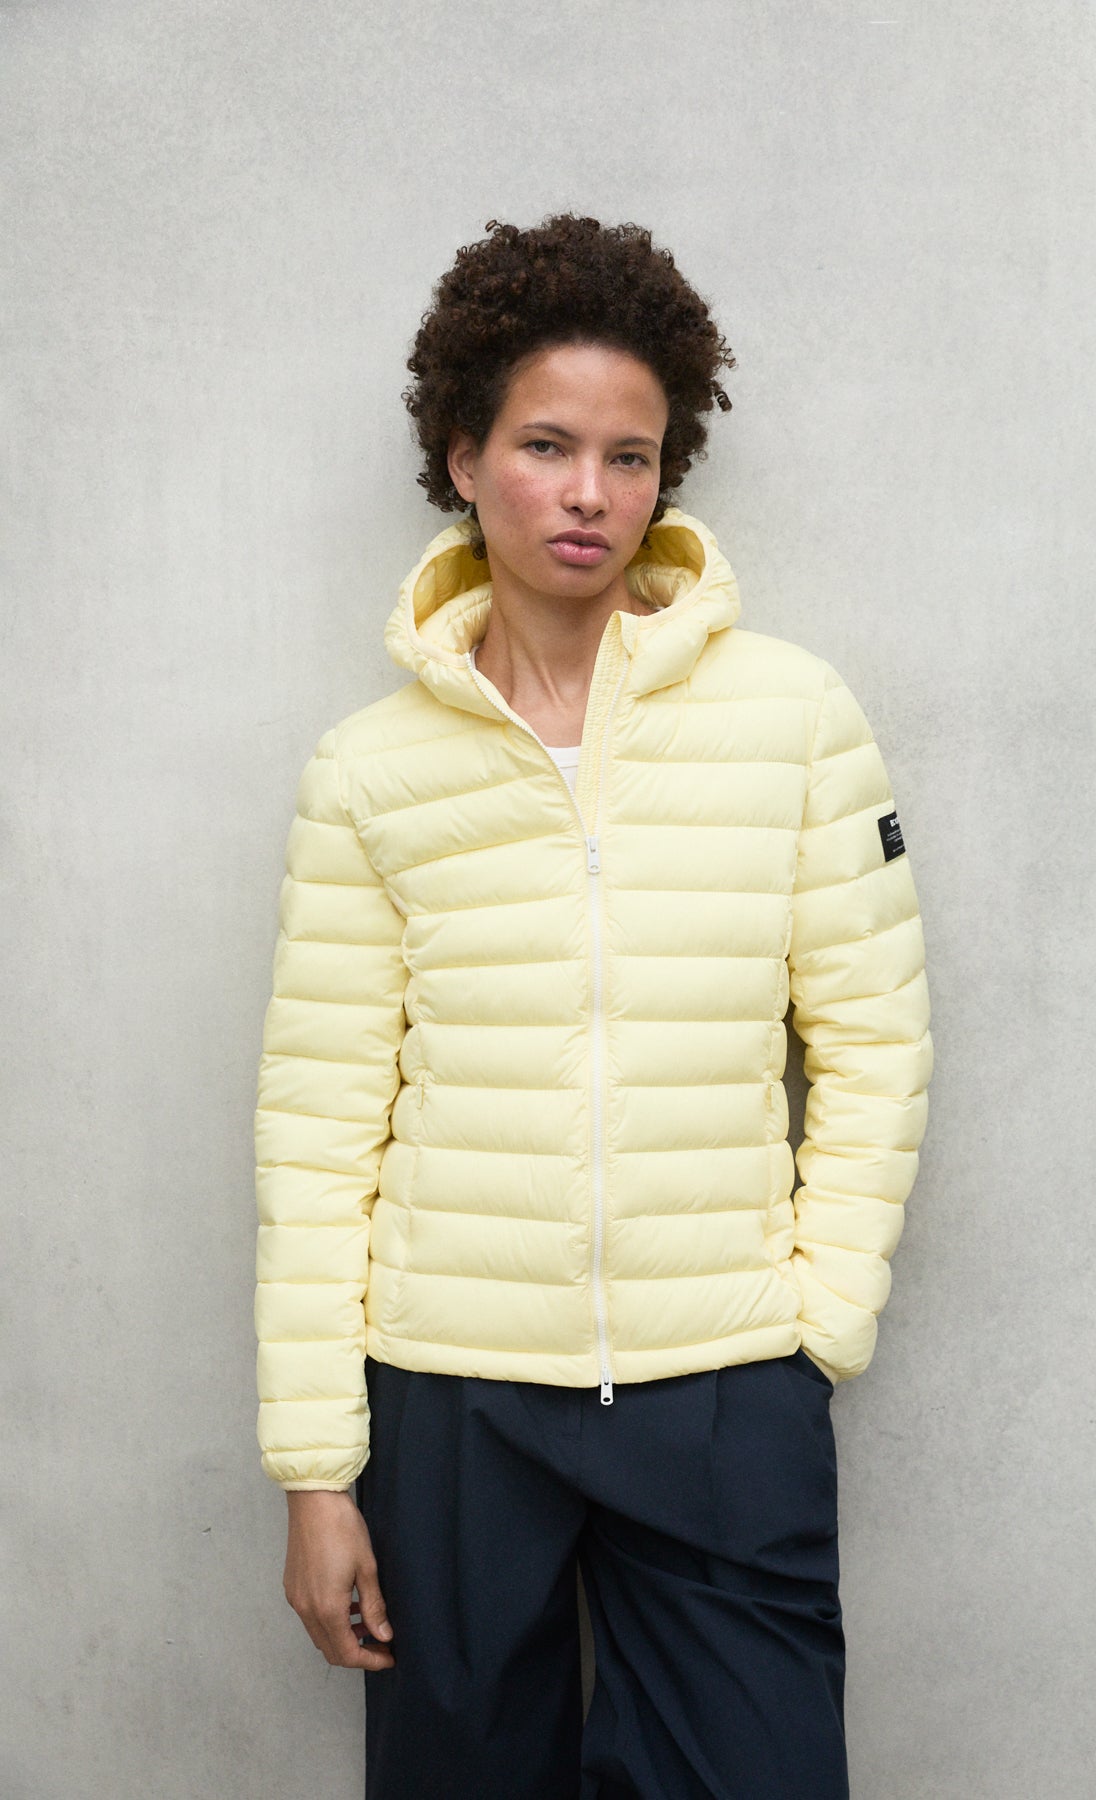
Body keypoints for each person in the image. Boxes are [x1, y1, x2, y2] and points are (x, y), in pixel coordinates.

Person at [254, 211, 933, 1800]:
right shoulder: (371, 772)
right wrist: (316, 1473)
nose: (589, 494)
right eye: (546, 446)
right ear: (463, 456)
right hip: (452, 1398)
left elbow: (875, 1041)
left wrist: (816, 1322)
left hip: (724, 1387)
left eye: (630, 457)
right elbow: (318, 1128)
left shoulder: (793, 718)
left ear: (665, 474)